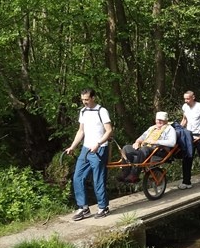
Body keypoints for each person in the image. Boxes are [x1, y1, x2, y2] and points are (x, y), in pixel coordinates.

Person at [65, 88, 113, 221]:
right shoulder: (83, 111)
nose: (84, 102)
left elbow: (109, 131)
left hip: (99, 148)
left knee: (98, 179)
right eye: (82, 100)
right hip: (86, 148)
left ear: (93, 98)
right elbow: (81, 131)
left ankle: (103, 207)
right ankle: (83, 208)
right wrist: (73, 147)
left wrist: (98, 143)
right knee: (77, 177)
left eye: (86, 99)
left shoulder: (101, 111)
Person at [119, 111, 177, 183]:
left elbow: (172, 143)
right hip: (145, 148)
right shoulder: (152, 128)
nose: (159, 121)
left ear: (165, 120)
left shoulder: (169, 129)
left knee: (144, 149)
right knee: (126, 148)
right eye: (157, 119)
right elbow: (142, 137)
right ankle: (125, 172)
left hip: (159, 151)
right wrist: (137, 142)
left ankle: (134, 174)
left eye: (161, 120)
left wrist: (156, 142)